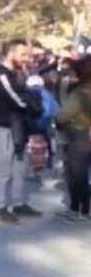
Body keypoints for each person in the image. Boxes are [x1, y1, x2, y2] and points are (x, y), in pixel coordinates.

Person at [0, 39, 43, 224]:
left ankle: (19, 203)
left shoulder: (18, 72)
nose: (27, 58)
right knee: (5, 166)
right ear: (11, 53)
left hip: (19, 124)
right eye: (23, 54)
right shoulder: (1, 74)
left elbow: (25, 95)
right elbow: (17, 99)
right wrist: (34, 105)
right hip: (4, 125)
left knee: (19, 165)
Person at [54, 56, 91, 223]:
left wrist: (56, 121)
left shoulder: (80, 92)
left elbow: (63, 116)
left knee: (77, 174)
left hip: (78, 134)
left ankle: (79, 210)